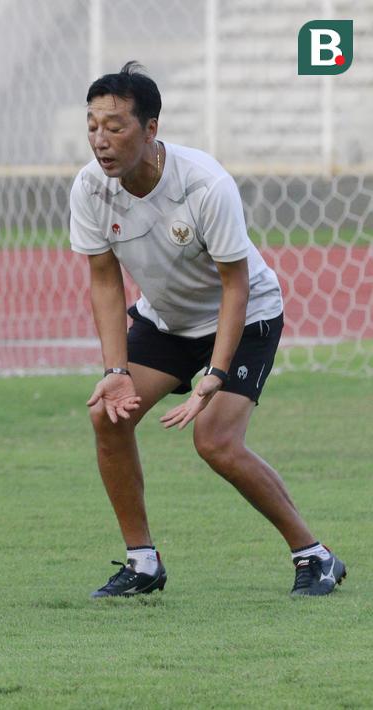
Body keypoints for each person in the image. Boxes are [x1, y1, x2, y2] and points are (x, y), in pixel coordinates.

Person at [70, 62, 345, 598]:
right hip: (168, 319)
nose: (101, 140)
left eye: (116, 126)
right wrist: (115, 370)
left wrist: (215, 374)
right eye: (93, 125)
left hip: (244, 315)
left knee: (215, 440)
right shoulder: (89, 188)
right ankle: (143, 562)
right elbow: (104, 282)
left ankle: (315, 555)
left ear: (151, 129)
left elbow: (235, 286)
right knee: (109, 416)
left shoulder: (203, 184)